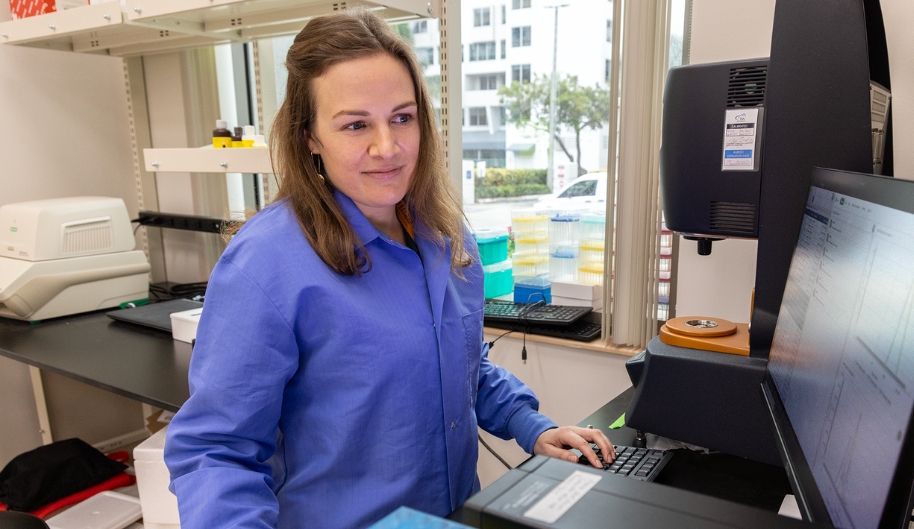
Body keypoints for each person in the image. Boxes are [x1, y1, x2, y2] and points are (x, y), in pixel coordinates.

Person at [164, 9, 613, 529]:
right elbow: (216, 451)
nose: (389, 147)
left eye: (402, 117)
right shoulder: (266, 263)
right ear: (309, 136)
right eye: (356, 125)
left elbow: (460, 364)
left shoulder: (447, 237)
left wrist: (529, 425)